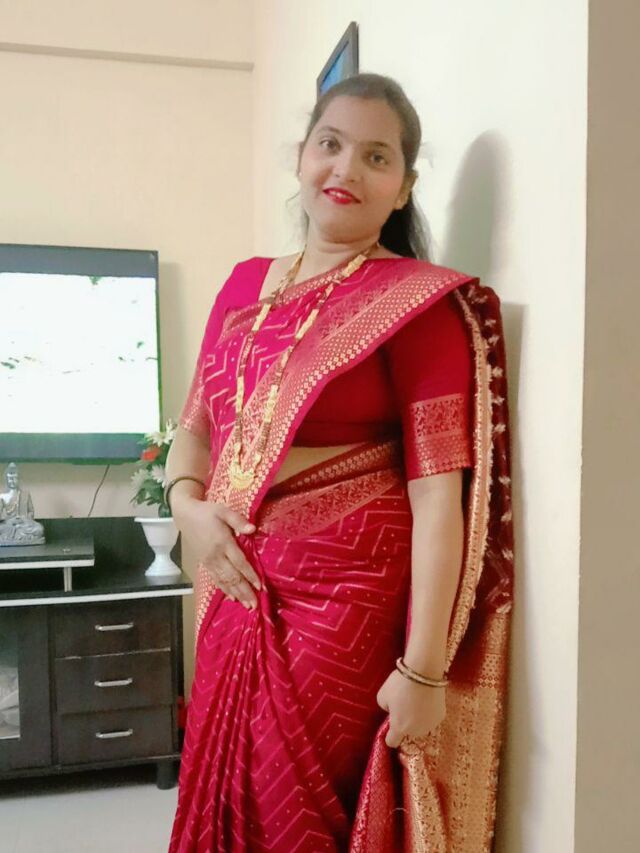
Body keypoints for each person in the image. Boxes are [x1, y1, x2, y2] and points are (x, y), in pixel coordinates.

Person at [166, 72, 514, 853]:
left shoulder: (415, 303)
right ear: (302, 156)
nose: (346, 168)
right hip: (231, 581)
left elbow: (439, 499)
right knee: (221, 795)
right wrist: (189, 510)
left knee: (300, 815)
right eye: (330, 143)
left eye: (376, 156)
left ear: (403, 187)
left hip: (342, 605)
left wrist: (423, 671)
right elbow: (195, 429)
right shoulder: (244, 284)